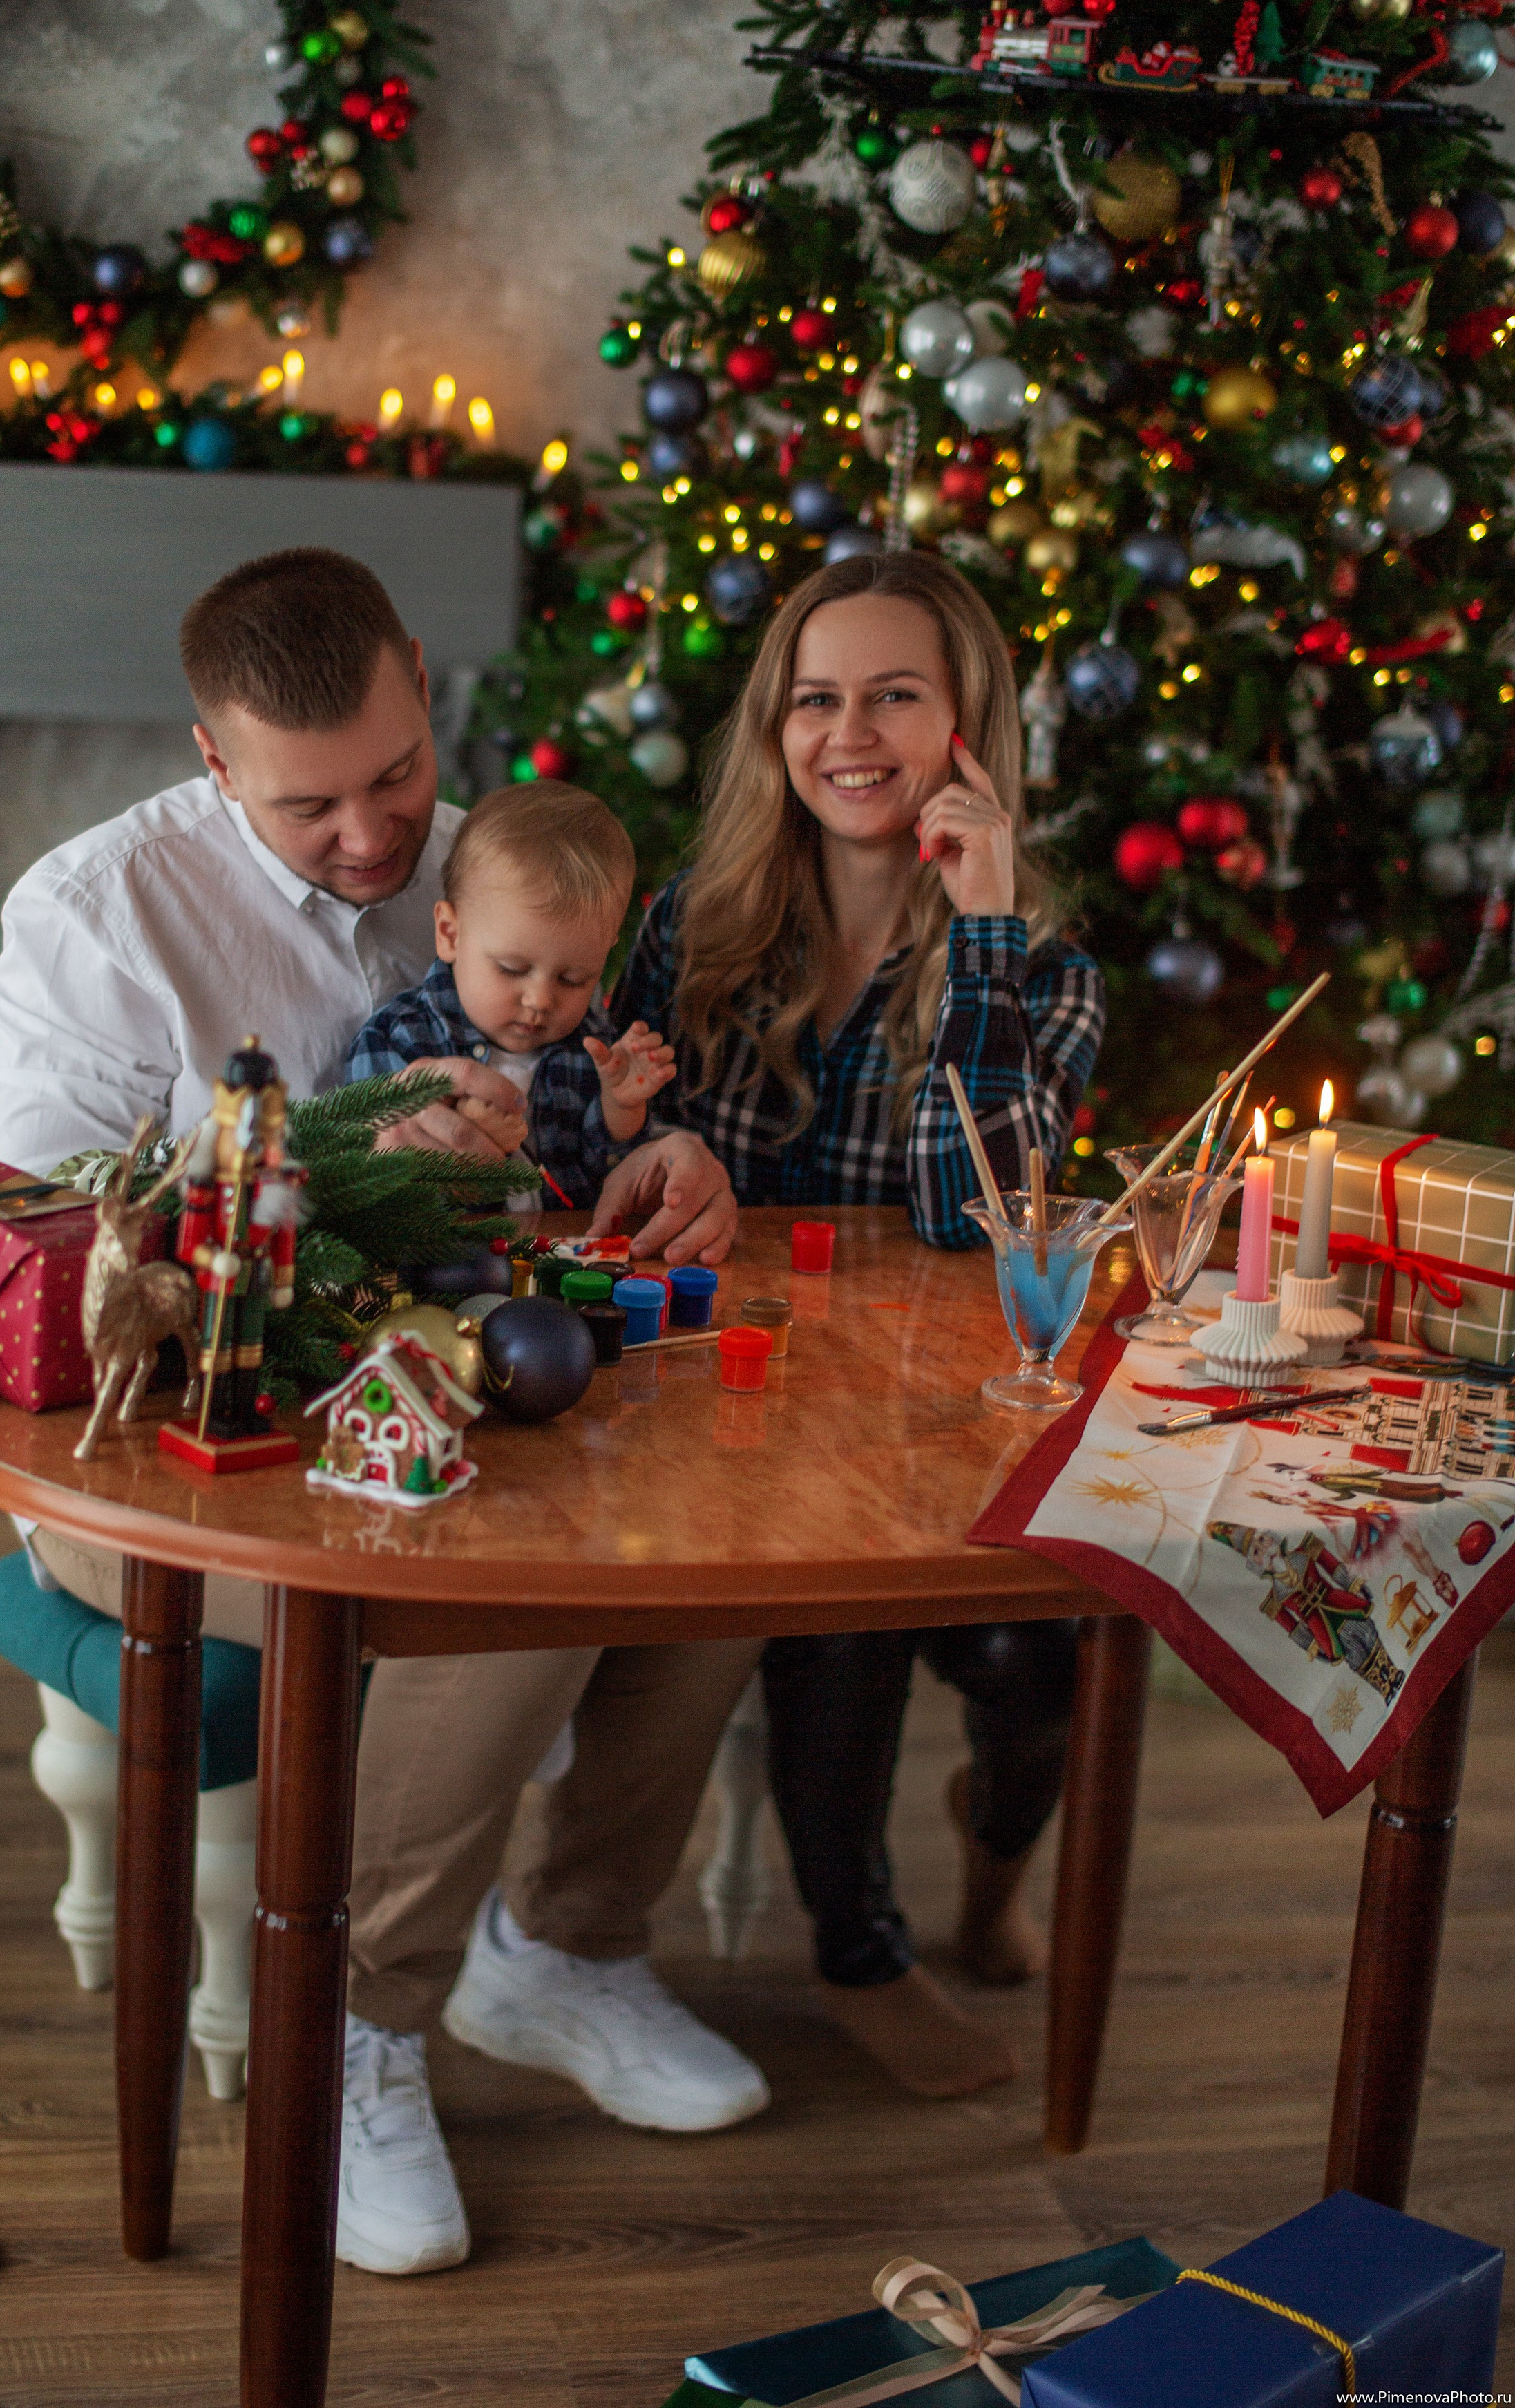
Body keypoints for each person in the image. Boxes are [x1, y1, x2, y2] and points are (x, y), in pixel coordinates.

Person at [0, 546, 761, 2280]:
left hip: (458, 1385)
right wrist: (340, 1155)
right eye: (308, 802)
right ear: (208, 755)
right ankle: (353, 2013)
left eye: (397, 772)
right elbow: (51, 1250)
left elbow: (587, 1099)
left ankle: (553, 1946)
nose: (368, 833)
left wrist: (654, 1150)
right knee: (505, 1572)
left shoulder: (502, 867)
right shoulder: (95, 918)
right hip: (179, 1452)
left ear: (422, 678)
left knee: (730, 1515)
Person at [614, 549, 1105, 2101]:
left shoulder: (1043, 966)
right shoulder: (692, 930)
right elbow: (600, 1160)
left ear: (967, 727)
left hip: (931, 1417)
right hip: (729, 1405)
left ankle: (993, 1849)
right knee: (831, 1600)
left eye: (895, 695)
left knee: (1047, 1656)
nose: (849, 733)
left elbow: (979, 1220)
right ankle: (858, 1950)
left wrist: (977, 934)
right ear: (774, 729)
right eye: (815, 698)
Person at [343, 781, 676, 1204]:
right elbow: (358, 1175)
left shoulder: (595, 1052)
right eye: (512, 969)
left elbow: (607, 1173)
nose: (540, 1000)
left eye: (574, 979)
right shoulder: (398, 1039)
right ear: (450, 934)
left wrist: (622, 1106)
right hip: (450, 1263)